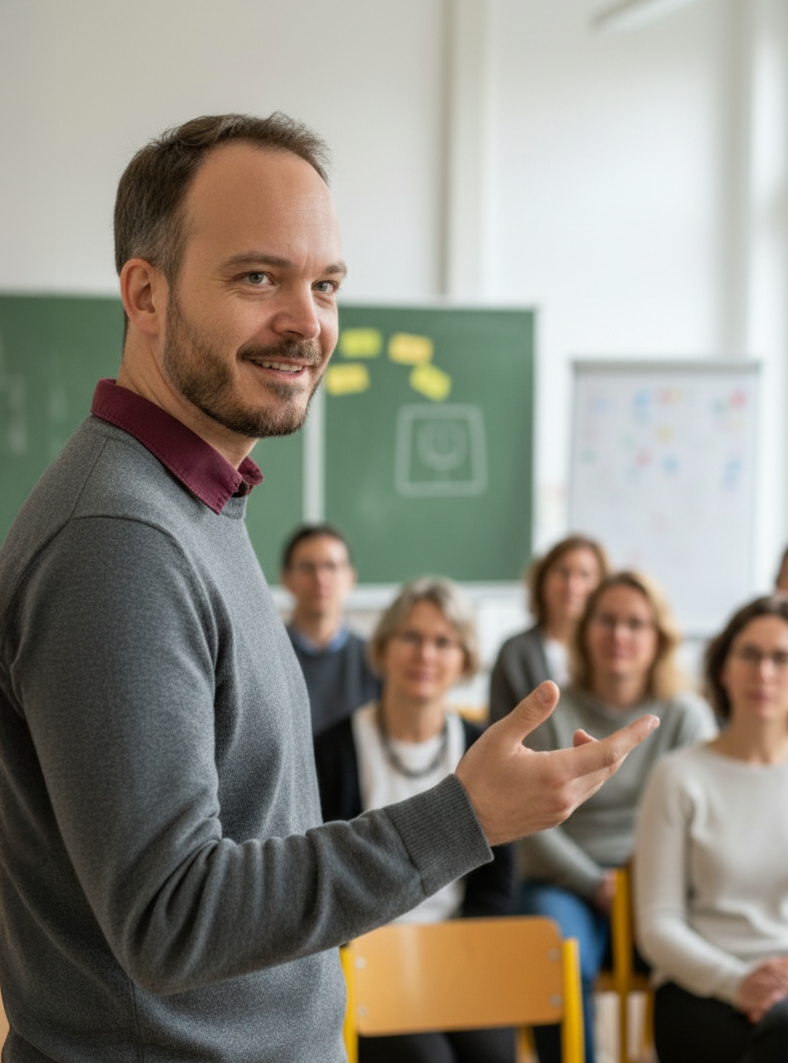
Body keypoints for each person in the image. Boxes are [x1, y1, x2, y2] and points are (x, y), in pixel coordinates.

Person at [0, 112, 659, 1063]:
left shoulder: (196, 505)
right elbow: (173, 917)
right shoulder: (119, 539)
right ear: (145, 294)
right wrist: (463, 816)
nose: (306, 322)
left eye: (325, 284)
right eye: (256, 277)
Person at [315, 577, 516, 1063]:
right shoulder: (331, 751)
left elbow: (497, 886)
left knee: (492, 1053)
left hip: (460, 955)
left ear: (464, 659)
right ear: (384, 648)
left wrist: (452, 963)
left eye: (443, 642)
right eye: (411, 636)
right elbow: (323, 875)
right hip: (366, 960)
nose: (425, 654)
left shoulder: (484, 749)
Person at [519, 570, 717, 1063]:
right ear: (585, 629)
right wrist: (595, 883)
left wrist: (643, 881)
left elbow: (706, 821)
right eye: (606, 620)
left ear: (659, 637)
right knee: (554, 956)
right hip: (567, 881)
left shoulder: (685, 715)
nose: (619, 635)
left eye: (635, 623)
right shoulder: (552, 709)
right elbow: (529, 824)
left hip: (660, 883)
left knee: (706, 952)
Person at [635, 594, 788, 1063]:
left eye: (782, 658)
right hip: (700, 986)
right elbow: (658, 925)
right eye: (749, 654)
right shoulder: (677, 776)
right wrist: (738, 982)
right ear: (723, 669)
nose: (763, 672)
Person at [489, 534, 609, 724]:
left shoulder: (611, 649)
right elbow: (497, 726)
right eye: (563, 572)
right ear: (543, 580)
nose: (572, 585)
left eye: (585, 575)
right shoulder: (514, 652)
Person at [281, 522, 381, 734]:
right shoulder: (267, 657)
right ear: (286, 579)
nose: (320, 578)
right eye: (307, 567)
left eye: (331, 566)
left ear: (350, 578)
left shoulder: (375, 660)